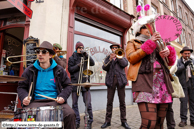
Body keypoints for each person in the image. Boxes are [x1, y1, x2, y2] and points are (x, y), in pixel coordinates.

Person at [126, 22, 176, 128]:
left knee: (159, 124)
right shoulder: (133, 42)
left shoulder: (160, 43)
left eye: (151, 26)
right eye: (145, 26)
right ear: (139, 30)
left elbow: (170, 63)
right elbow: (131, 58)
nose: (149, 28)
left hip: (162, 85)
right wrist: (150, 43)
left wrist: (168, 52)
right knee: (149, 124)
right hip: (144, 84)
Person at [17, 41, 76, 129]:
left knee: (70, 114)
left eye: (44, 52)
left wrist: (63, 96)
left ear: (51, 55)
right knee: (27, 118)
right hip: (35, 102)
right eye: (38, 52)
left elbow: (68, 85)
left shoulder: (59, 70)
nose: (40, 54)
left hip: (55, 101)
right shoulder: (30, 70)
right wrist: (24, 97)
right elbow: (21, 87)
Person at [101, 44, 131, 129]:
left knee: (122, 102)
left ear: (118, 49)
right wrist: (110, 59)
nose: (114, 49)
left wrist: (118, 57)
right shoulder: (108, 57)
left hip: (120, 80)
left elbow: (125, 64)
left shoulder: (121, 56)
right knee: (109, 102)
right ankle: (107, 121)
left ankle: (124, 121)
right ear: (111, 49)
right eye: (113, 48)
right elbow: (104, 67)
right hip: (111, 81)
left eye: (116, 48)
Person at [68, 41, 95, 129]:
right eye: (79, 48)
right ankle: (77, 121)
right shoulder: (72, 58)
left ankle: (89, 121)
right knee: (74, 104)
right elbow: (70, 69)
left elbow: (92, 63)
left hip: (85, 83)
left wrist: (87, 55)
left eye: (82, 48)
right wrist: (78, 66)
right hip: (75, 83)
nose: (81, 49)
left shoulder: (85, 56)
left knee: (88, 104)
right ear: (76, 49)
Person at [175, 46, 194, 127]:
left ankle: (193, 120)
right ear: (182, 54)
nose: (187, 55)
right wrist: (184, 66)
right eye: (185, 53)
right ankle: (183, 120)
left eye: (188, 53)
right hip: (183, 84)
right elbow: (175, 71)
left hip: (192, 84)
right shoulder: (178, 61)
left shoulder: (193, 61)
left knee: (193, 103)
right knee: (183, 102)